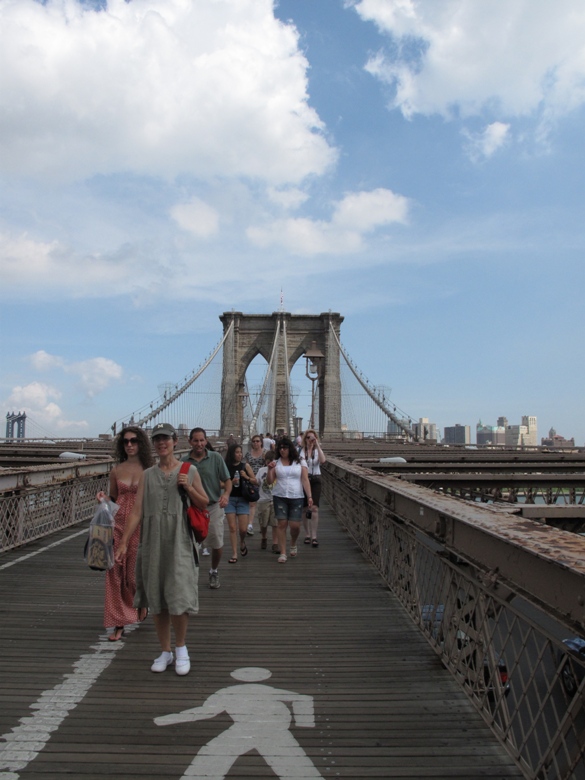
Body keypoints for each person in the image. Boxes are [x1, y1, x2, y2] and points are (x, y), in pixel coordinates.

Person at [116, 422, 208, 676]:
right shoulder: (147, 475)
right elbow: (136, 511)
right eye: (157, 439)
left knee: (178, 595)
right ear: (153, 444)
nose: (161, 443)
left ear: (175, 441)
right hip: (153, 542)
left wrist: (188, 487)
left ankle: (181, 648)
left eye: (166, 438)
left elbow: (204, 502)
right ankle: (165, 651)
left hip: (179, 540)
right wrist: (124, 541)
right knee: (156, 597)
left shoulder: (189, 470)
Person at [96, 426, 153, 641]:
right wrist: (103, 498)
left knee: (133, 574)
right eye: (126, 441)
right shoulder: (116, 470)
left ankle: (140, 602)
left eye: (134, 441)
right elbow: (113, 498)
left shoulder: (149, 470)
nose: (129, 445)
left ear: (141, 444)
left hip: (141, 525)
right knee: (114, 573)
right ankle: (119, 622)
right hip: (117, 524)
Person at [182, 427, 232, 590]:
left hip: (213, 506)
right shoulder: (183, 462)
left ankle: (214, 570)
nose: (199, 444)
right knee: (189, 545)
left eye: (202, 440)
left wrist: (226, 495)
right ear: (190, 441)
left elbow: (228, 480)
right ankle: (190, 576)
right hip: (191, 508)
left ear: (206, 441)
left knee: (217, 543)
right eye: (195, 440)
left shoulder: (216, 458)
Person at [267, 436, 312, 564]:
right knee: (281, 525)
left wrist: (309, 496)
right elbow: (270, 481)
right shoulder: (276, 462)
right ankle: (283, 552)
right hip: (279, 496)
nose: (282, 450)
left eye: (285, 448)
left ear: (290, 449)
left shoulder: (300, 461)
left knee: (295, 526)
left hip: (296, 496)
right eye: (280, 448)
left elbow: (304, 479)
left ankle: (293, 542)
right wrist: (270, 469)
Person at [224, 443, 257, 563]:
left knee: (243, 530)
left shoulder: (245, 466)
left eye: (240, 452)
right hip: (230, 499)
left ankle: (242, 542)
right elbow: (220, 483)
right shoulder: (225, 466)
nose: (239, 454)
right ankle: (234, 554)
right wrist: (230, 483)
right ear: (232, 453)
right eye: (237, 452)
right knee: (232, 528)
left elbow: (255, 481)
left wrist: (246, 477)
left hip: (243, 499)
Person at [299, 429, 326, 547]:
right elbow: (301, 464)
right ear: (305, 439)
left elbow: (323, 460)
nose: (311, 440)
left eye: (313, 437)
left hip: (315, 480)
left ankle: (314, 536)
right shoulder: (301, 451)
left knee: (314, 508)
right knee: (305, 508)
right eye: (308, 438)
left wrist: (317, 445)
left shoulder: (317, 450)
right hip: (304, 480)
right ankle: (307, 534)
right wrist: (308, 448)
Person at [255, 450, 278, 551]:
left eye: (272, 461)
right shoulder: (261, 470)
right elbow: (257, 482)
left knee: (275, 523)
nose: (270, 464)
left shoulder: (278, 470)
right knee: (263, 523)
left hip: (275, 499)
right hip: (263, 499)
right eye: (268, 461)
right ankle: (264, 537)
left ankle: (275, 543)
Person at [244, 434, 266, 536]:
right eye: (254, 441)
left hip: (262, 482)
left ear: (261, 442)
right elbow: (245, 466)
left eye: (257, 441)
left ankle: (263, 525)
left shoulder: (265, 453)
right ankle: (250, 525)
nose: (256, 443)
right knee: (252, 504)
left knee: (262, 505)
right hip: (251, 481)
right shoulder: (248, 454)